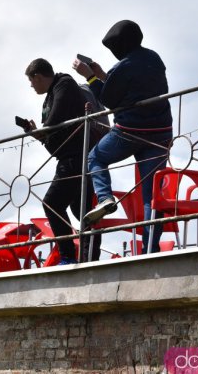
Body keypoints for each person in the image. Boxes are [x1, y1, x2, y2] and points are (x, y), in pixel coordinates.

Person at [73, 20, 173, 253]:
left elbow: (108, 100)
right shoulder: (154, 58)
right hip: (160, 132)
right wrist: (103, 75)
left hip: (130, 131)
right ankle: (151, 248)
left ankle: (105, 197)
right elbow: (134, 87)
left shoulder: (123, 67)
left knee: (95, 158)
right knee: (151, 195)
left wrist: (90, 77)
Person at [24, 59, 98, 264]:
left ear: (38, 77)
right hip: (68, 156)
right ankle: (89, 258)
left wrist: (44, 131)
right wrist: (38, 135)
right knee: (82, 211)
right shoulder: (51, 95)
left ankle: (68, 256)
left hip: (77, 155)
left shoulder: (63, 83)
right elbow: (52, 138)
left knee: (53, 203)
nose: (31, 86)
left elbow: (55, 120)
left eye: (31, 81)